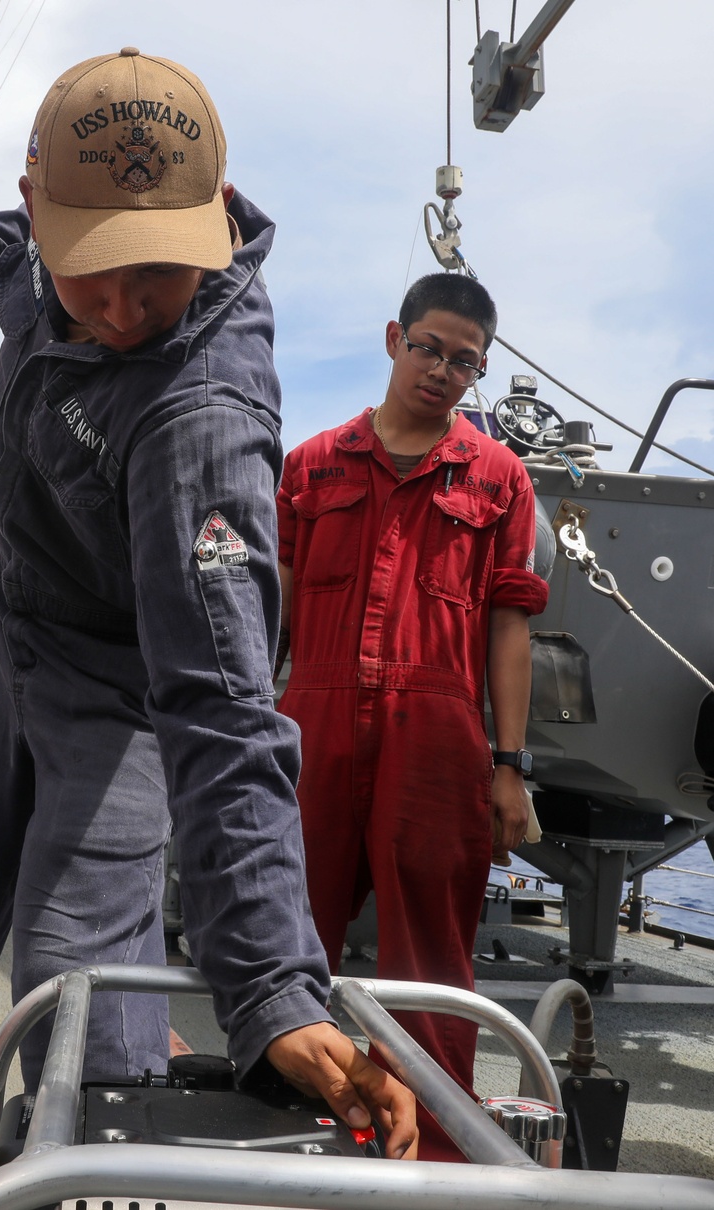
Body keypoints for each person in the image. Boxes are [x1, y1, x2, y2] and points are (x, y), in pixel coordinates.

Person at [0, 49, 416, 1210]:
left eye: (156, 274)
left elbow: (223, 705)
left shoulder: (200, 414)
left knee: (79, 984)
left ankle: (95, 1192)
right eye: (92, 276)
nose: (122, 312)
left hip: (119, 699)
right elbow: (22, 252)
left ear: (216, 220)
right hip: (0, 638)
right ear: (40, 211)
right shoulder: (36, 248)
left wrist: (271, 980)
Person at [275, 273, 549, 1163]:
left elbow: (509, 625)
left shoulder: (500, 478)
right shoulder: (311, 465)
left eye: (463, 361)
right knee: (289, 936)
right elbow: (267, 608)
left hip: (435, 732)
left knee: (431, 957)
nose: (440, 371)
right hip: (310, 715)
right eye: (428, 347)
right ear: (394, 339)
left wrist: (509, 764)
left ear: (480, 372)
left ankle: (429, 1152)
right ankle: (290, 1128)